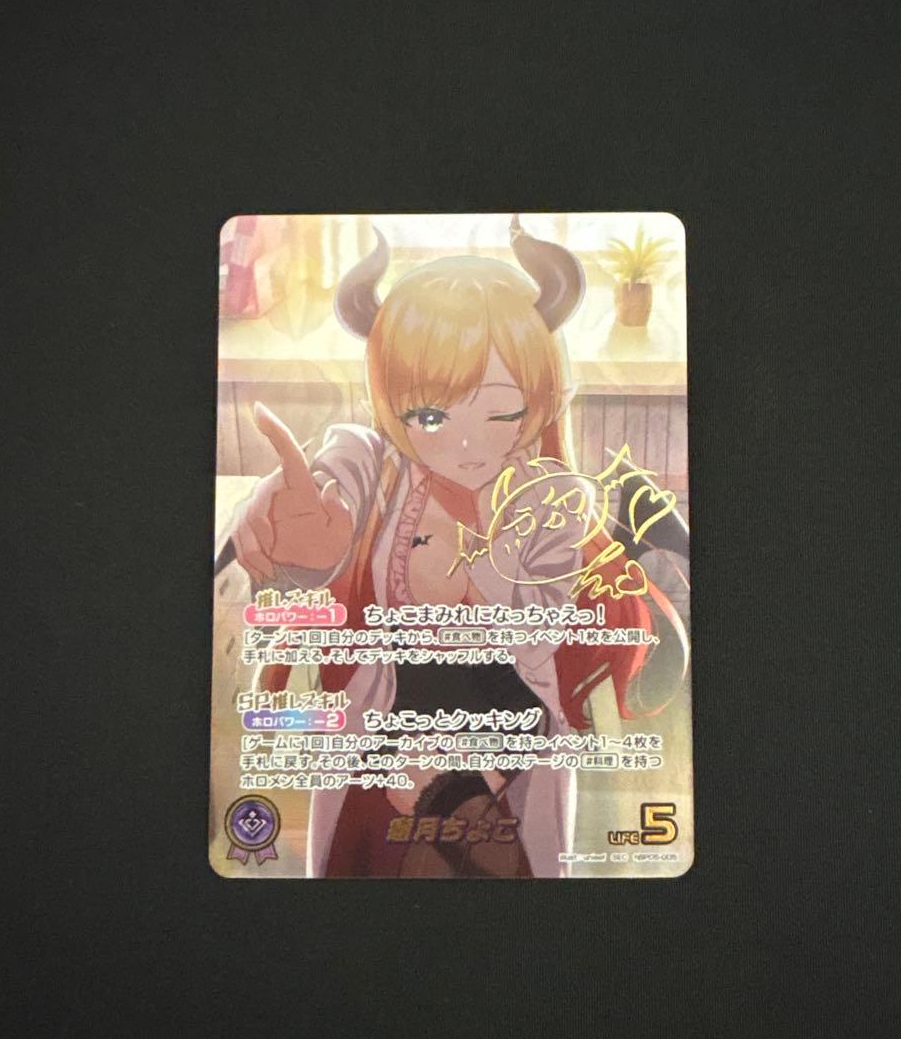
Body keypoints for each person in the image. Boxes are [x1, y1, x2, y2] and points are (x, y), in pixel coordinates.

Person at [231, 216, 684, 876]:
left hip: (505, 730)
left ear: (539, 397)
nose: (468, 444)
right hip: (388, 731)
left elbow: (537, 642)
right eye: (431, 416)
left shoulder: (550, 500)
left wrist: (469, 769)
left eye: (500, 412)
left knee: (490, 860)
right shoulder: (374, 466)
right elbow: (333, 481)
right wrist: (290, 529)